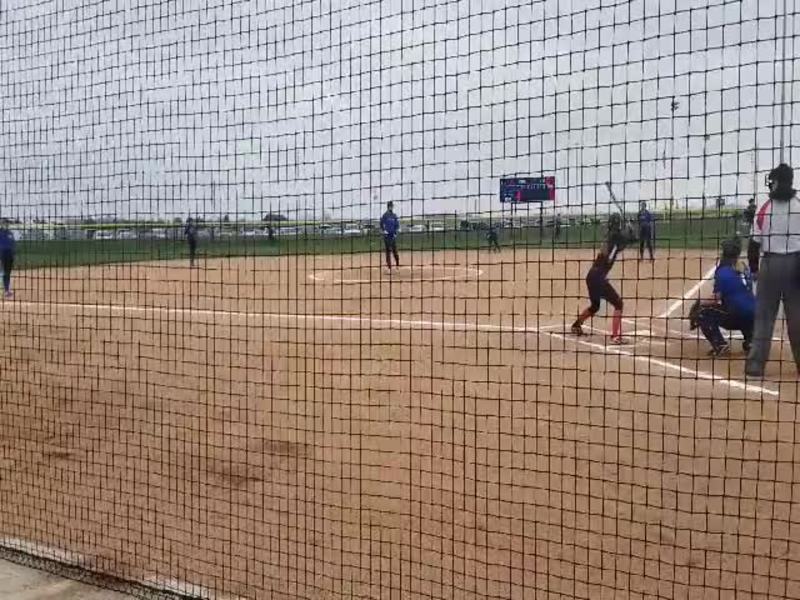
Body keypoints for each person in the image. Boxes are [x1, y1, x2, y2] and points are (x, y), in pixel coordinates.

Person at [745, 163, 800, 378]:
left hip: (770, 264)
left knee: (764, 317)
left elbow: (753, 244)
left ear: (776, 182)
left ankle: (756, 364)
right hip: (797, 265)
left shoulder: (765, 208)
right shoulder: (798, 206)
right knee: (797, 318)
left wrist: (754, 270)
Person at [571, 213, 632, 344]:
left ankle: (576, 325)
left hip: (592, 276)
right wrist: (630, 230)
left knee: (595, 306)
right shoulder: (615, 237)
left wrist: (629, 232)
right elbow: (627, 239)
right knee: (618, 304)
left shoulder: (611, 236)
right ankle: (615, 337)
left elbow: (625, 241)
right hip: (598, 278)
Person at [689, 238, 754, 357]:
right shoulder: (744, 267)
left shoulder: (723, 271)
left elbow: (716, 298)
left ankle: (720, 345)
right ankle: (751, 341)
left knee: (702, 312)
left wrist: (700, 303)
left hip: (735, 316)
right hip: (755, 316)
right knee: (744, 307)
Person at [380, 201, 400, 272]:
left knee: (395, 251)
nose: (391, 207)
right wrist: (384, 230)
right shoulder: (385, 215)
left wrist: (395, 233)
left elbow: (397, 225)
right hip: (387, 236)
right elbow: (381, 223)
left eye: (392, 206)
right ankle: (389, 267)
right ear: (388, 207)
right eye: (390, 206)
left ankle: (397, 265)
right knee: (388, 251)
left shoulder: (394, 215)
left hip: (392, 236)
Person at [0, 220, 15, 299]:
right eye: (4, 223)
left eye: (7, 223)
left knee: (7, 273)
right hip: (2, 254)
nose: (6, 224)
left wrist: (13, 255)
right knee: (3, 272)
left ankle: (6, 290)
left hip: (9, 255)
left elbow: (13, 244)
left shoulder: (10, 233)